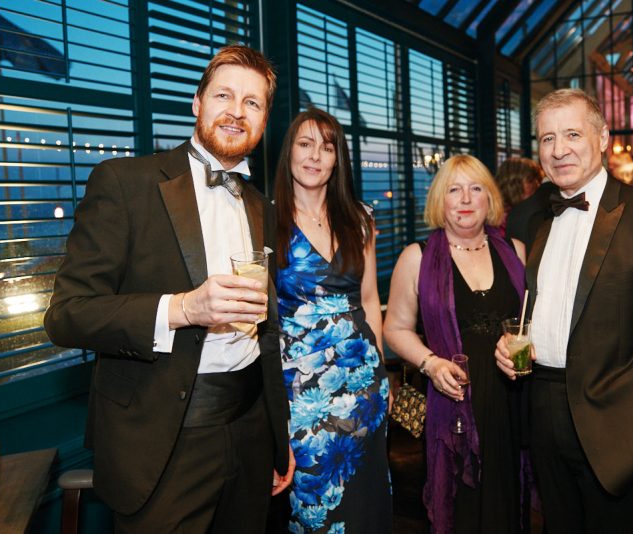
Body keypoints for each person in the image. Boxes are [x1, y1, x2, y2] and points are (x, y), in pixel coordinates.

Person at [43, 46, 293, 532]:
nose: (236, 112)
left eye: (252, 103)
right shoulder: (125, 183)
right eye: (223, 95)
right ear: (197, 102)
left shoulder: (261, 206)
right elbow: (67, 315)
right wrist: (183, 308)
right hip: (163, 442)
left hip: (249, 432)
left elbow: (266, 335)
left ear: (264, 120)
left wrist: (275, 440)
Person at [494, 88, 633, 533]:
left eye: (572, 134)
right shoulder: (535, 221)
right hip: (543, 408)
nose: (559, 149)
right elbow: (543, 309)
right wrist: (512, 346)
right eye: (547, 138)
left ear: (604, 138)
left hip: (618, 421)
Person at [384, 154, 526, 534]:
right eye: (454, 190)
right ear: (439, 200)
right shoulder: (416, 258)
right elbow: (394, 328)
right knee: (460, 512)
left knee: (507, 507)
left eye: (475, 188)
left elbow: (530, 321)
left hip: (510, 404)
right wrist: (430, 363)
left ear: (489, 198)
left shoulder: (515, 251)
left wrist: (523, 344)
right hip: (453, 409)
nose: (465, 199)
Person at [273, 108, 392, 532]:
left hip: (364, 386)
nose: (315, 156)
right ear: (289, 152)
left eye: (326, 148)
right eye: (305, 145)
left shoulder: (360, 218)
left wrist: (382, 372)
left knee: (367, 508)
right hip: (301, 397)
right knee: (315, 512)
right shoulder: (266, 221)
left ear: (337, 158)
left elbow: (370, 299)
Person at [494, 156, 543, 229]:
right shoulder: (496, 221)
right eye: (531, 180)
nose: (537, 184)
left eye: (539, 180)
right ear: (514, 183)